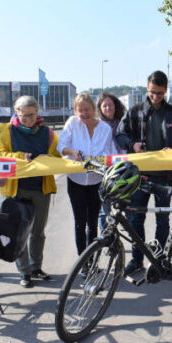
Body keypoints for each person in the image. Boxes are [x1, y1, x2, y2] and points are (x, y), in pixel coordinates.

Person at [116, 70, 172, 275]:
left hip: (164, 177)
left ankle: (159, 260)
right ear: (147, 88)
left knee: (162, 219)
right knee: (135, 219)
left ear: (165, 90)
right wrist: (133, 145)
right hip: (138, 176)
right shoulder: (135, 111)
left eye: (158, 93)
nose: (154, 96)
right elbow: (120, 135)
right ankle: (137, 259)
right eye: (151, 92)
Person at [0, 96, 60, 288]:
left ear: (37, 113)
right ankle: (24, 272)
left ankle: (36, 267)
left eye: (31, 115)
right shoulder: (7, 131)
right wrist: (20, 157)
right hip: (17, 189)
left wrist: (47, 158)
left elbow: (57, 156)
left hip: (41, 189)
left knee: (38, 232)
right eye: (23, 116)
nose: (28, 120)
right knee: (19, 232)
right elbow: (0, 154)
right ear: (16, 112)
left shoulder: (48, 133)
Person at [58, 93, 115, 256]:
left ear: (93, 108)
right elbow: (61, 145)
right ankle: (82, 261)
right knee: (79, 223)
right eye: (80, 110)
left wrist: (96, 160)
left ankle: (91, 259)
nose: (84, 113)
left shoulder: (105, 128)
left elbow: (108, 152)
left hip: (96, 180)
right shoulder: (72, 123)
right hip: (76, 180)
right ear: (76, 111)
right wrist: (72, 152)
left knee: (93, 223)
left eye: (87, 109)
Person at [97, 92, 127, 230]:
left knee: (124, 209)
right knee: (105, 210)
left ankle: (119, 238)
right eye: (104, 106)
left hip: (123, 171)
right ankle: (107, 240)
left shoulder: (124, 123)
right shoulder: (97, 126)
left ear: (116, 106)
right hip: (104, 174)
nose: (108, 108)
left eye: (110, 105)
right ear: (100, 108)